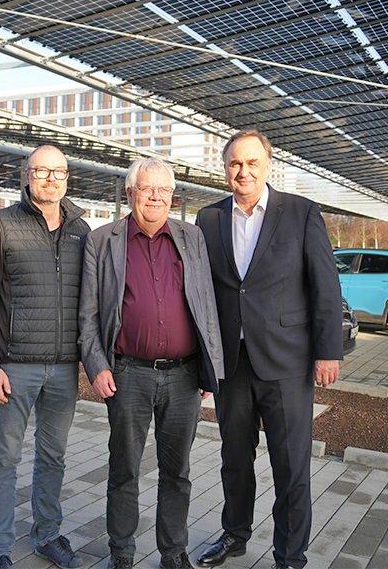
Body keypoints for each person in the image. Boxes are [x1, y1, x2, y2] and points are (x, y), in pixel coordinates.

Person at [194, 130, 343, 569]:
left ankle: (289, 556)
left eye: (252, 163)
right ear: (225, 168)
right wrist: (202, 363)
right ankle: (235, 534)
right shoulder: (208, 218)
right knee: (234, 459)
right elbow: (201, 292)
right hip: (231, 364)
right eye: (235, 164)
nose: (243, 171)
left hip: (287, 362)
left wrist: (328, 352)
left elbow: (325, 286)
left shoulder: (300, 212)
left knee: (291, 465)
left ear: (267, 165)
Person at [78, 158, 224, 569]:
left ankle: (173, 552)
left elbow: (207, 305)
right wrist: (97, 366)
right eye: (147, 188)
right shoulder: (102, 241)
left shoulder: (191, 237)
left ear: (172, 196)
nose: (156, 196)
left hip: (184, 376)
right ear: (130, 194)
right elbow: (87, 313)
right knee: (124, 468)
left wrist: (211, 367)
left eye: (163, 189)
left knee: (177, 472)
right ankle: (122, 553)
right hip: (128, 374)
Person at [0, 145, 91, 569]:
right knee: (4, 457)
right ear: (27, 175)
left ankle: (47, 535)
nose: (51, 179)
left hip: (64, 367)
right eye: (42, 171)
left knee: (53, 456)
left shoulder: (81, 229)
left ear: (67, 178)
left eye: (58, 172)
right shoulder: (0, 224)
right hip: (13, 366)